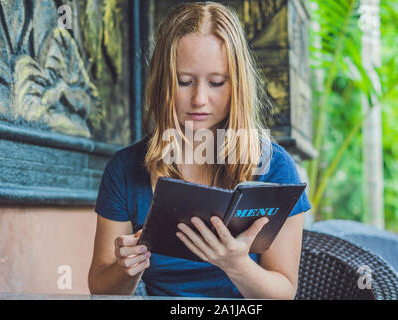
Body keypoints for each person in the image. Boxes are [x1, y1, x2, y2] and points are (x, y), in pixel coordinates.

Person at [88, 1, 311, 299]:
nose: (199, 99)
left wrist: (237, 265)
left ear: (237, 86)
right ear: (163, 82)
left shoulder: (274, 166)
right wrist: (126, 268)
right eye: (184, 81)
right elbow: (100, 287)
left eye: (217, 82)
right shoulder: (125, 168)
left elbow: (284, 292)